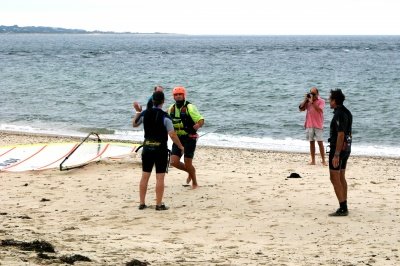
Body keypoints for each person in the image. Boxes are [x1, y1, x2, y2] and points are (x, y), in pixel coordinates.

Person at [132, 91, 184, 211]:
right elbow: (172, 134)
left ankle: (142, 203)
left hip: (147, 148)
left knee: (145, 176)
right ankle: (159, 204)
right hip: (160, 150)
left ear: (152, 101)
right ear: (163, 101)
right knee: (160, 177)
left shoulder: (145, 113)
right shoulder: (165, 116)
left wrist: (138, 111)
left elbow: (134, 124)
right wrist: (181, 147)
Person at [168, 86, 204, 189]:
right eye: (176, 95)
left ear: (184, 95)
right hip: (178, 138)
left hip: (190, 138)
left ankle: (195, 183)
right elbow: (167, 122)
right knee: (173, 161)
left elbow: (201, 119)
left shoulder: (190, 107)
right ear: (173, 97)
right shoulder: (171, 108)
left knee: (188, 163)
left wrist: (198, 125)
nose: (178, 96)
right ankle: (190, 171)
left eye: (180, 94)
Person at [327, 89, 353, 216]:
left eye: (330, 99)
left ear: (335, 101)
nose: (328, 101)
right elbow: (349, 132)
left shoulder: (339, 114)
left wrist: (336, 154)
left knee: (334, 177)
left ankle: (343, 207)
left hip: (338, 149)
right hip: (347, 148)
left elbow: (341, 134)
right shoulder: (347, 112)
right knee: (341, 176)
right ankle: (344, 204)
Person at [299, 87, 327, 166]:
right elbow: (301, 109)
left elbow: (320, 110)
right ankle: (313, 161)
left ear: (317, 94)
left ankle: (323, 160)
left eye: (314, 94)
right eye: (311, 93)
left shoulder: (321, 101)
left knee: (320, 143)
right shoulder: (308, 101)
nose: (312, 95)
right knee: (311, 143)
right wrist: (305, 100)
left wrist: (312, 102)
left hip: (318, 124)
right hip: (309, 124)